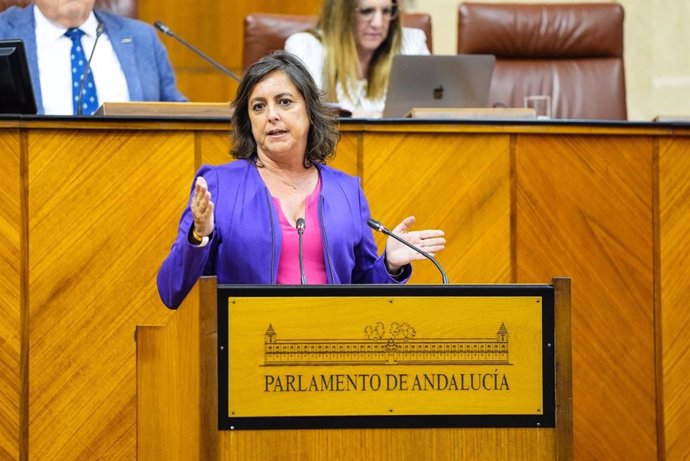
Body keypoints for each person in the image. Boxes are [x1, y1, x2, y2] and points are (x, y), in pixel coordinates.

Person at [157, 51, 445, 309]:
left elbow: (363, 291)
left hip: (329, 349)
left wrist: (390, 264)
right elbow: (171, 291)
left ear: (309, 111)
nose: (271, 116)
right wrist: (199, 236)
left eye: (284, 102)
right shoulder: (219, 184)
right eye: (258, 107)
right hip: (247, 347)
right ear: (249, 121)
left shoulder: (346, 191)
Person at [0, 0, 186, 115]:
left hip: (132, 171)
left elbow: (179, 116)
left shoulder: (142, 37)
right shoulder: (4, 33)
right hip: (34, 172)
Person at [284, 0, 429, 117]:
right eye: (366, 11)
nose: (377, 23)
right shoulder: (307, 47)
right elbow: (305, 111)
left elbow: (430, 109)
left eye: (386, 11)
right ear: (341, 14)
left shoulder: (410, 43)